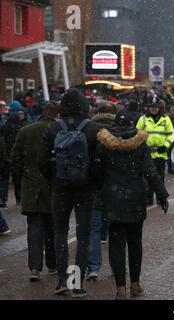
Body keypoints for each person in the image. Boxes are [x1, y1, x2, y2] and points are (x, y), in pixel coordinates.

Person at [94, 110, 169, 299]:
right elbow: (151, 173)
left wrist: (100, 190)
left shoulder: (104, 144)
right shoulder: (140, 145)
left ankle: (120, 287)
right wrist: (162, 195)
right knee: (135, 243)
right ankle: (135, 284)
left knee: (116, 244)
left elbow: (96, 172)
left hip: (112, 199)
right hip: (135, 199)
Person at [39, 88, 102, 298]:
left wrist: (55, 180)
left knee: (60, 233)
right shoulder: (94, 128)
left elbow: (41, 162)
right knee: (83, 235)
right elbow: (102, 163)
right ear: (85, 106)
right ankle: (78, 284)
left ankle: (61, 281)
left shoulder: (53, 128)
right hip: (85, 189)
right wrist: (93, 181)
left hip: (60, 188)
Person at [11, 101, 60, 281]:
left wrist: (24, 176)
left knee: (35, 229)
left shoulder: (26, 131)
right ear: (57, 114)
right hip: (54, 188)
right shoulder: (59, 130)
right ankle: (53, 264)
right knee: (53, 229)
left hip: (32, 188)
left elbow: (14, 158)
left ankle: (35, 268)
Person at [86, 102, 118, 281]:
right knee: (116, 230)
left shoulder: (90, 130)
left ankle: (93, 267)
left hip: (94, 188)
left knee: (94, 230)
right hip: (116, 188)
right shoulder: (121, 130)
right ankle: (116, 267)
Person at [136, 96, 174, 206]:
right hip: (146, 154)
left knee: (159, 176)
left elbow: (171, 135)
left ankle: (159, 197)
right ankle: (148, 198)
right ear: (148, 108)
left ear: (159, 108)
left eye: (156, 107)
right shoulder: (142, 119)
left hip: (160, 153)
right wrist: (142, 146)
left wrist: (165, 146)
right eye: (152, 107)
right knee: (147, 177)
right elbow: (137, 134)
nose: (153, 109)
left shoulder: (165, 119)